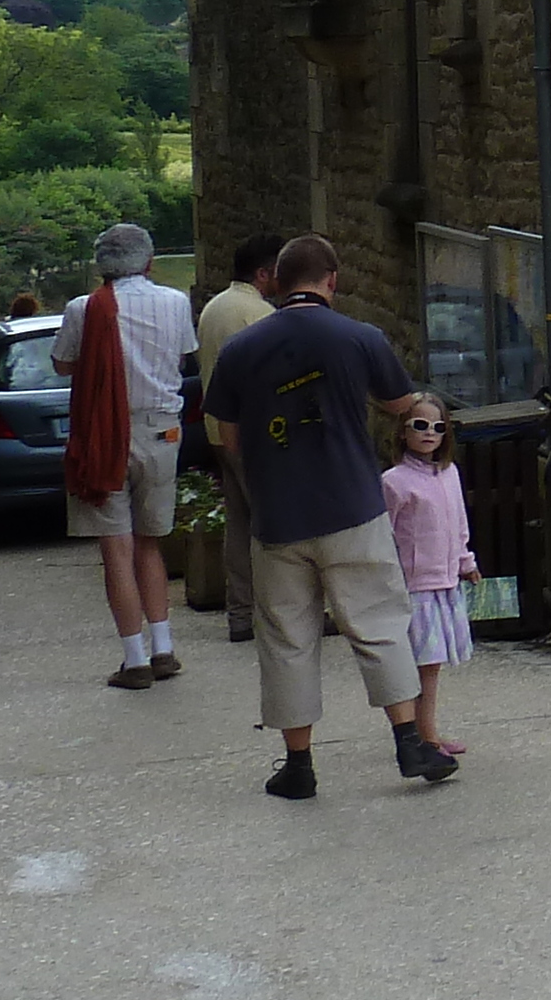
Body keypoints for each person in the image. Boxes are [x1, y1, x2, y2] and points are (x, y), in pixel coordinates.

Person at [202, 233, 458, 796]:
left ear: (278, 279)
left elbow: (227, 434)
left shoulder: (242, 349)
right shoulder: (360, 337)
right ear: (332, 281)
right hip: (352, 508)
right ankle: (410, 743)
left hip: (279, 517)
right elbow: (399, 403)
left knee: (288, 639)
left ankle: (298, 767)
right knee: (380, 625)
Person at [51, 221, 200, 689]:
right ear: (150, 261)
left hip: (103, 433)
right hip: (161, 430)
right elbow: (182, 356)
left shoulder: (84, 308)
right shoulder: (175, 302)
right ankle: (163, 647)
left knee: (115, 547)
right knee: (150, 542)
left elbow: (62, 363)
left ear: (101, 266)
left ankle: (133, 658)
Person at [191, 234, 284, 644]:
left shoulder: (215, 307)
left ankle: (241, 613)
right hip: (255, 433)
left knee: (239, 523)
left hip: (218, 429)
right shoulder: (259, 314)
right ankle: (280, 614)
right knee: (276, 524)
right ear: (264, 273)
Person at [381, 411, 476, 759]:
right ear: (403, 431)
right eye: (420, 425)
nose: (429, 433)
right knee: (424, 664)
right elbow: (384, 534)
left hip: (445, 581)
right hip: (414, 586)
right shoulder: (394, 482)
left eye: (438, 427)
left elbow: (458, 523)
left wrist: (466, 563)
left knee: (431, 665)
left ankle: (426, 730)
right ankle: (425, 735)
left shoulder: (449, 474)